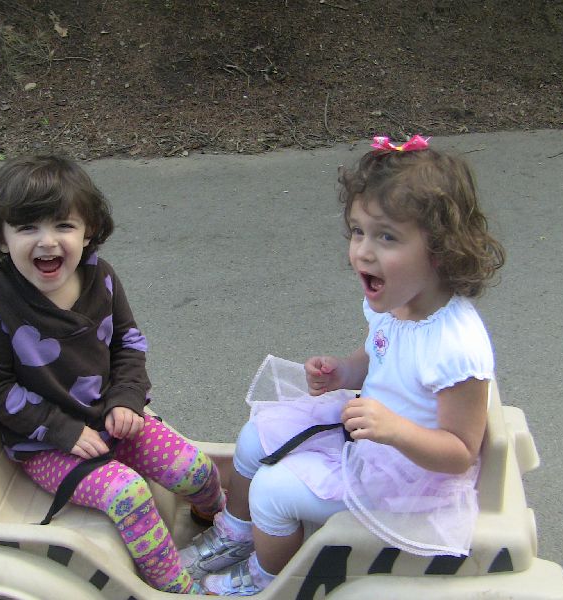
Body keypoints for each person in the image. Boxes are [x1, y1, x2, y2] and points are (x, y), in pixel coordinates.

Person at [180, 135, 505, 595]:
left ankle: (266, 579)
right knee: (254, 438)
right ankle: (236, 532)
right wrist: (345, 372)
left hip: (405, 478)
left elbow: (459, 453)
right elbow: (376, 355)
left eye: (386, 236)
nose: (363, 252)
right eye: (358, 231)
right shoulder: (397, 303)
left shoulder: (456, 347)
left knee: (272, 491)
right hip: (369, 433)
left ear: (440, 250)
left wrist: (394, 429)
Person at [0, 155, 224, 594]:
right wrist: (60, 429)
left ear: (87, 231)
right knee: (128, 494)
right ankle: (176, 588)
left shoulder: (99, 277)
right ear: (0, 238)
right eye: (27, 227)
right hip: (46, 444)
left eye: (63, 225)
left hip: (112, 416)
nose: (47, 241)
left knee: (196, 470)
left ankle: (216, 521)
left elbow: (128, 343)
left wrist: (127, 399)